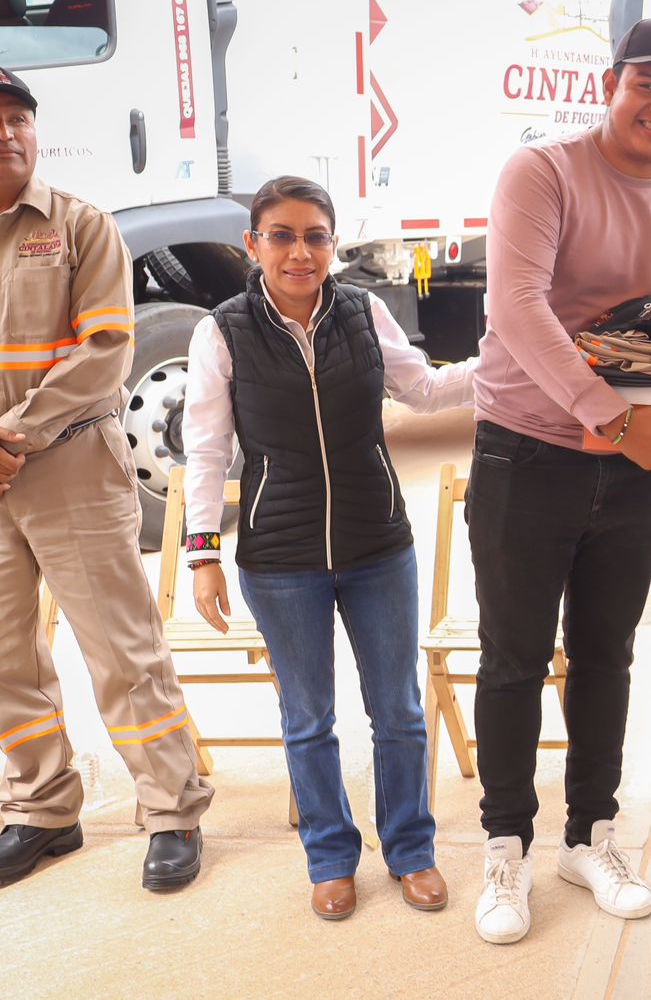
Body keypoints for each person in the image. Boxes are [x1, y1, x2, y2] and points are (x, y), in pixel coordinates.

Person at [469, 17, 651, 945]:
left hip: (637, 465)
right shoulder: (542, 173)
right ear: (608, 86)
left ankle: (590, 838)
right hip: (527, 450)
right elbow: (516, 307)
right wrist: (613, 417)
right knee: (513, 658)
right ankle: (505, 847)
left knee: (607, 656)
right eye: (645, 86)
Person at [182, 176, 472, 920]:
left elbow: (424, 390)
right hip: (280, 561)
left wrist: (509, 360)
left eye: (315, 236)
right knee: (308, 719)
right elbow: (207, 451)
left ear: (333, 244)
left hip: (378, 545)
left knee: (399, 711)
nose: (300, 252)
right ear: (253, 244)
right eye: (281, 236)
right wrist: (203, 555)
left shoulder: (365, 311)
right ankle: (331, 857)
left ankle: (411, 850)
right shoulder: (221, 331)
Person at [0, 66, 213, 890]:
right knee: (6, 658)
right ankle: (42, 809)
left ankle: (172, 810)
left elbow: (106, 351)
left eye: (20, 118)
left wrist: (15, 433)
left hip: (71, 466)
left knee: (121, 651)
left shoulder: (79, 227)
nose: (9, 133)